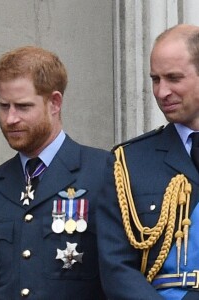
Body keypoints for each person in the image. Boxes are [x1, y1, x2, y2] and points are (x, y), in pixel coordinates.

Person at [0, 45, 108, 299]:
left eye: (22, 107)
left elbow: (120, 274)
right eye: (4, 106)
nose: (10, 119)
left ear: (54, 103)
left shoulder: (104, 172)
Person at [97, 24, 199, 300]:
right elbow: (116, 266)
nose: (162, 92)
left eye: (174, 78)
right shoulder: (128, 163)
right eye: (156, 79)